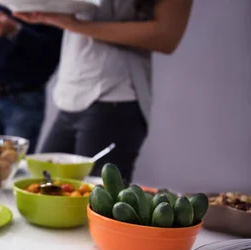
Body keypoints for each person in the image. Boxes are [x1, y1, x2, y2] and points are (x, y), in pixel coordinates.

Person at [17, 0, 192, 181]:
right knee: (42, 189)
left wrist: (74, 25)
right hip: (71, 94)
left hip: (115, 96)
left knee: (96, 202)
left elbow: (166, 36)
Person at [0, 1, 63, 154]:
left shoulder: (50, 4)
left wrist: (15, 30)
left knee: (16, 169)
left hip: (25, 99)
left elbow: (51, 56)